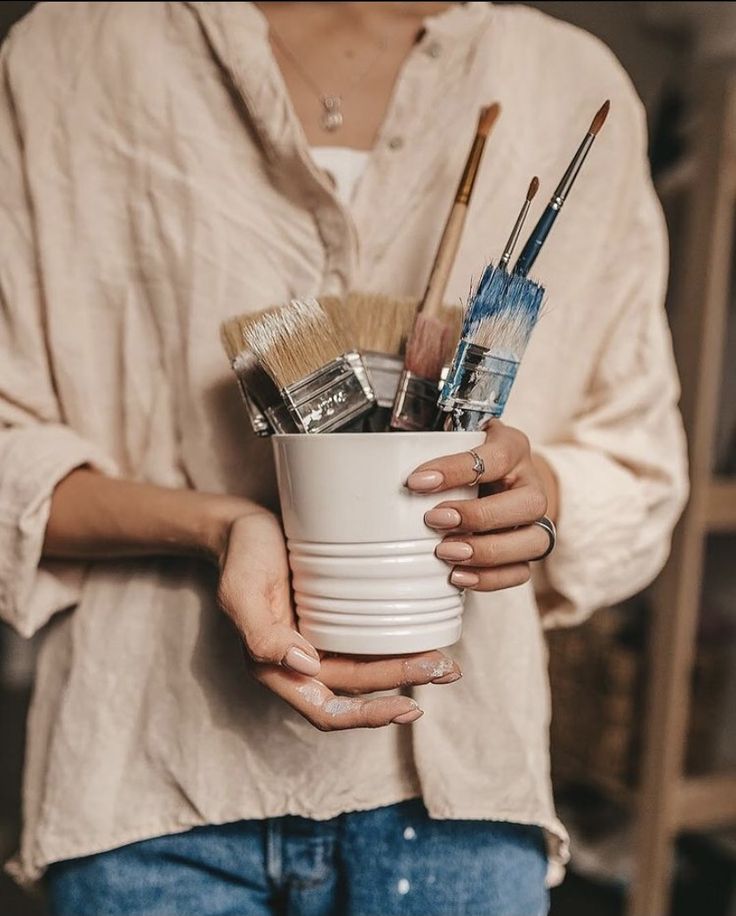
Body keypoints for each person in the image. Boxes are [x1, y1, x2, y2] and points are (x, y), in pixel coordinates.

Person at [0, 2, 687, 914]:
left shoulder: (571, 79)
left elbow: (637, 458)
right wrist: (224, 527)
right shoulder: (72, 50)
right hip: (150, 775)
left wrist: (535, 495)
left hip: (462, 794)